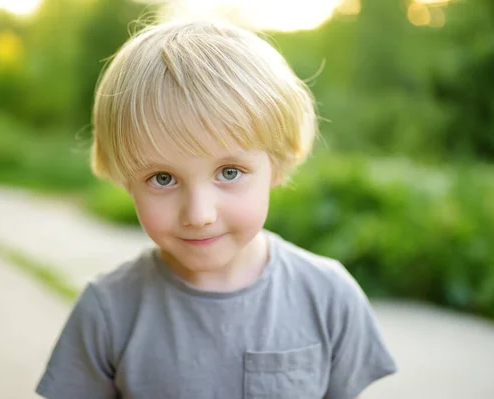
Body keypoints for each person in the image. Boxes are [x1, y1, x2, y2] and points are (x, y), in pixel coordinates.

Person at [36, 19, 397, 399]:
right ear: (125, 179)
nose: (199, 214)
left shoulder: (327, 297)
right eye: (163, 178)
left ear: (275, 164)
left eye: (229, 172)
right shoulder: (107, 312)